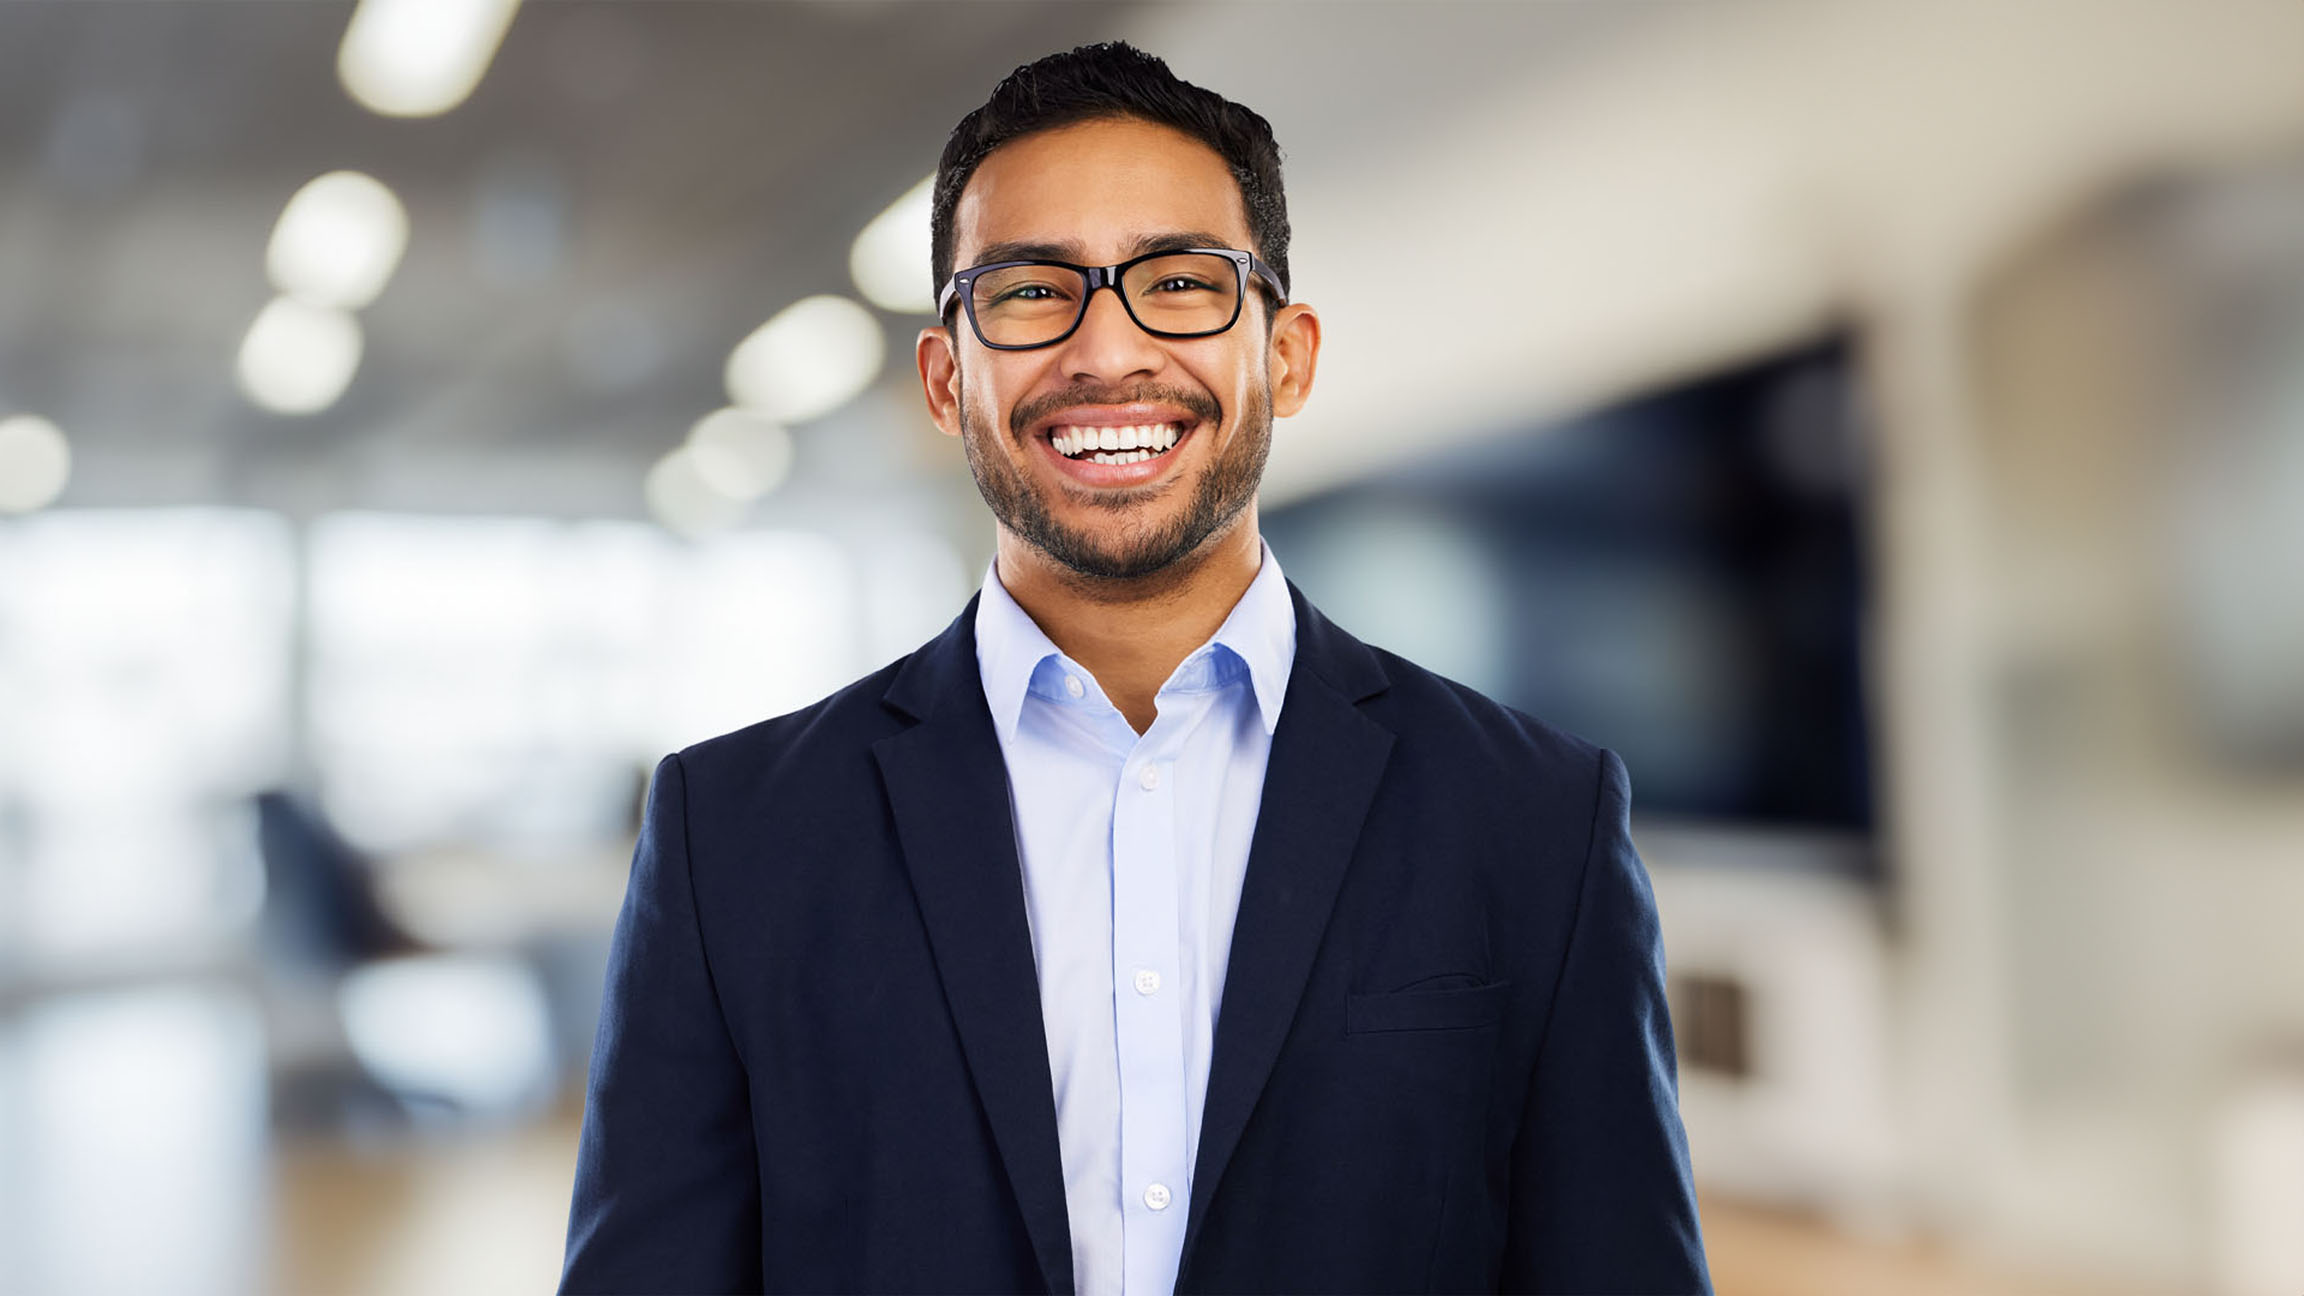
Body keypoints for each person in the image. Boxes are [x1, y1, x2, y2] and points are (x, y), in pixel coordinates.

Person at [561, 42, 1710, 1296]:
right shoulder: (734, 837)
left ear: (1288, 356)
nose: (1106, 352)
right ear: (949, 379)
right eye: (1029, 291)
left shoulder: (1535, 819)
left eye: (1179, 282)